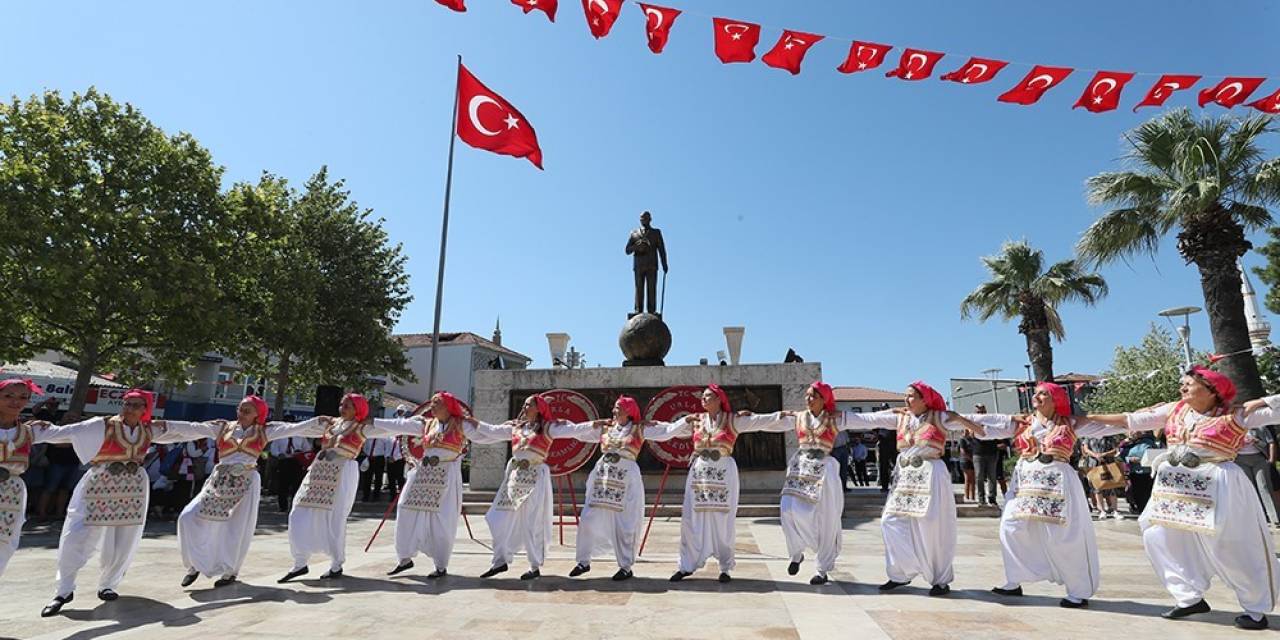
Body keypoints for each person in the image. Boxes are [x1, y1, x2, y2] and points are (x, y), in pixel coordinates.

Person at [1088, 366, 1280, 630]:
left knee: (1231, 546)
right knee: (1157, 535)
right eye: (1182, 383)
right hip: (1175, 487)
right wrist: (1084, 417)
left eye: (1189, 383)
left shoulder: (1237, 414)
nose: (1182, 387)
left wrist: (1264, 401)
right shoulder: (1174, 410)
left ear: (1212, 390)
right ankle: (1188, 597)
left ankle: (1255, 608)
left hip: (1219, 482)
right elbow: (1130, 420)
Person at [36, 390, 214, 617]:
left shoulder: (150, 429)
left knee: (125, 537)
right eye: (127, 403)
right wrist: (33, 431)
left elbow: (186, 429)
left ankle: (108, 584)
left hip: (132, 487)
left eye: (136, 405)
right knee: (77, 533)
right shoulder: (102, 425)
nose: (129, 408)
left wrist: (216, 428)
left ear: (145, 409)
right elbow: (66, 432)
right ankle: (63, 590)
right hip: (100, 483)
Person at [974, 382, 1130, 608]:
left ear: (1055, 399)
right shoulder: (1022, 423)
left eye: (1042, 394)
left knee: (1062, 535)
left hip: (1057, 481)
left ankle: (1078, 590)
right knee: (1010, 527)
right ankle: (1014, 579)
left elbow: (1110, 426)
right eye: (1035, 393)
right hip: (1025, 483)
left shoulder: (1070, 423)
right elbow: (984, 430)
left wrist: (1141, 416)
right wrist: (961, 420)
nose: (1036, 397)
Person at [837, 382, 987, 596]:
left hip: (930, 474)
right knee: (890, 521)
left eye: (911, 396)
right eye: (905, 396)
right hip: (905, 477)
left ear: (924, 399)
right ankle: (901, 572)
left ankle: (940, 579)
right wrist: (838, 417)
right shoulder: (900, 417)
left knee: (931, 526)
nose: (906, 400)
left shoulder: (940, 417)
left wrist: (961, 419)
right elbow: (868, 419)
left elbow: (982, 428)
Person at [643, 385, 791, 583]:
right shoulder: (696, 420)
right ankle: (686, 565)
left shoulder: (733, 419)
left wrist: (786, 416)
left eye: (708, 396)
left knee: (723, 520)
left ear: (719, 399)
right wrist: (645, 427)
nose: (703, 400)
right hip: (700, 475)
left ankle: (725, 567)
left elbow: (761, 421)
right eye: (703, 397)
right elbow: (669, 430)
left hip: (723, 473)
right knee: (692, 520)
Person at [176, 396, 328, 588]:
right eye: (240, 409)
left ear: (258, 414)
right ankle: (194, 565)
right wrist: (158, 426)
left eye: (247, 411)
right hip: (220, 480)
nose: (241, 413)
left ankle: (230, 571)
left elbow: (295, 428)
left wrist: (322, 422)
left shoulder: (265, 430)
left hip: (246, 480)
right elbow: (191, 428)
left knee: (236, 528)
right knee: (188, 517)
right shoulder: (223, 427)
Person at [276, 393, 425, 583]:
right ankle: (300, 562)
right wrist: (315, 420)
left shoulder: (363, 427)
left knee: (335, 518)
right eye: (341, 404)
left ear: (358, 409)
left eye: (348, 406)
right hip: (318, 472)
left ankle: (336, 564)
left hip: (342, 471)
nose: (342, 408)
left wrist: (418, 422)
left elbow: (393, 427)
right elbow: (298, 429)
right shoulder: (330, 424)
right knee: (298, 513)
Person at [563, 396, 687, 581]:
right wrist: (588, 424)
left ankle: (625, 566)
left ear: (629, 411)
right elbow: (577, 433)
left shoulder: (640, 429)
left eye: (618, 408)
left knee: (624, 523)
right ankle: (583, 561)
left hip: (626, 479)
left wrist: (686, 420)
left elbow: (667, 432)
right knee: (588, 517)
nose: (614, 411)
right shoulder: (606, 428)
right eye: (614, 408)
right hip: (603, 479)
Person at [467, 394, 576, 580]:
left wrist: (596, 425)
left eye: (528, 405)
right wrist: (473, 422)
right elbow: (492, 431)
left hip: (535, 478)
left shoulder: (548, 428)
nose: (524, 408)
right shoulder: (516, 428)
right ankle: (499, 561)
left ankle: (534, 566)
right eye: (524, 405)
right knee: (497, 518)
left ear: (539, 409)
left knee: (531, 522)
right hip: (515, 480)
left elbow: (575, 430)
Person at [386, 392, 475, 579]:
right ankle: (404, 558)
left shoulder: (462, 424)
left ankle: (440, 565)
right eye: (432, 403)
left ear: (448, 407)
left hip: (446, 475)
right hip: (423, 474)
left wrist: (513, 429)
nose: (432, 406)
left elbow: (488, 433)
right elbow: (397, 425)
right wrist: (371, 422)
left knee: (442, 518)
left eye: (437, 403)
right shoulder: (425, 424)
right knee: (405, 508)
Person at [0, 378, 48, 577]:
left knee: (5, 543)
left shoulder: (29, 431)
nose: (15, 401)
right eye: (8, 396)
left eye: (22, 397)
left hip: (11, 492)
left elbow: (68, 433)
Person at [1234, 420, 1279, 525]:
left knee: (1264, 487)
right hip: (1240, 460)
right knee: (1250, 489)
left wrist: (1271, 460)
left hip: (1259, 459)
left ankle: (1274, 518)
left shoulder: (1260, 425)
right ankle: (1259, 517)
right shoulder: (1233, 427)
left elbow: (1270, 442)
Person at [625, 210, 668, 316]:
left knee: (651, 287)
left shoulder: (656, 233)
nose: (643, 220)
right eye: (642, 218)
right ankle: (638, 310)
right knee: (639, 287)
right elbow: (627, 250)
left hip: (651, 265)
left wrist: (664, 264)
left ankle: (651, 310)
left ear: (650, 219)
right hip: (639, 265)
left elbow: (661, 249)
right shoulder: (634, 233)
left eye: (646, 218)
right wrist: (637, 247)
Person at [1082, 434, 1123, 520]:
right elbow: (1086, 449)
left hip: (1108, 463)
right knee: (1097, 488)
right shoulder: (1089, 436)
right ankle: (1102, 511)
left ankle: (1115, 510)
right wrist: (1095, 455)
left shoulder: (1109, 436)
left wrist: (1104, 454)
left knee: (1112, 487)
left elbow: (1115, 450)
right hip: (1093, 464)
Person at [971, 404, 1000, 507]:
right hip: (978, 453)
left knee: (992, 477)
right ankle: (981, 499)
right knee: (979, 476)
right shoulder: (972, 423)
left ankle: (992, 498)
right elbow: (969, 435)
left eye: (982, 411)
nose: (980, 414)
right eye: (978, 412)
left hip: (991, 452)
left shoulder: (991, 421)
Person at [1122, 431, 1157, 514]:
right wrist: (1129, 459)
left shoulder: (1150, 442)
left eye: (1137, 432)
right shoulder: (1126, 443)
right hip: (1134, 473)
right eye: (1131, 432)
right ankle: (1141, 512)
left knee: (1148, 495)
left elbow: (1155, 455)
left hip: (1147, 473)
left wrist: (1142, 460)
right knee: (1137, 495)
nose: (1133, 433)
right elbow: (1120, 457)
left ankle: (1148, 513)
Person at [959, 434, 976, 503]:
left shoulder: (974, 439)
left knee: (973, 480)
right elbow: (963, 451)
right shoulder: (962, 439)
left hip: (973, 460)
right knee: (968, 479)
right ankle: (967, 497)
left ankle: (973, 497)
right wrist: (972, 459)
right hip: (965, 460)